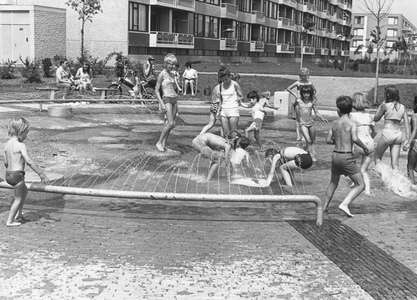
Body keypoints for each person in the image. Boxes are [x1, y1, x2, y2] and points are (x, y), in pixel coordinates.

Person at [324, 96, 369, 218]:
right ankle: (344, 204)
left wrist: (338, 140)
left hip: (335, 155)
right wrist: (364, 147)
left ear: (338, 110)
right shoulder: (352, 123)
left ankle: (324, 207)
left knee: (333, 182)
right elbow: (354, 138)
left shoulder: (334, 123)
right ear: (350, 109)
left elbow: (328, 140)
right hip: (346, 157)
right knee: (361, 184)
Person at [4, 118, 49, 227]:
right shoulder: (21, 145)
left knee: (24, 191)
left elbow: (5, 162)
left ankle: (19, 214)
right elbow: (29, 161)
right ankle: (10, 220)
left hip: (8, 174)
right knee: (18, 198)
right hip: (17, 175)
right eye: (26, 134)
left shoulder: (7, 144)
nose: (26, 136)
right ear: (21, 131)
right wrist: (40, 173)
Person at [373, 85, 410, 169]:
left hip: (387, 133)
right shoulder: (403, 107)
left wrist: (380, 106)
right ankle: (396, 181)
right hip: (398, 134)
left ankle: (385, 177)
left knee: (377, 158)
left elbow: (376, 118)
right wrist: (407, 139)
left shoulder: (385, 106)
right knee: (395, 164)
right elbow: (407, 124)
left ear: (388, 94)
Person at [350, 92, 377, 195]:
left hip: (359, 143)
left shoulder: (352, 115)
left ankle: (355, 181)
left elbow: (350, 132)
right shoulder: (369, 116)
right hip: (370, 143)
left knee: (350, 161)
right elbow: (374, 132)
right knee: (364, 170)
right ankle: (368, 191)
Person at [293, 85, 328, 161]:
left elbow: (316, 112)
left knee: (312, 141)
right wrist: (294, 114)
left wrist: (322, 118)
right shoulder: (299, 100)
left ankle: (305, 149)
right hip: (303, 124)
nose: (306, 95)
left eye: (308, 93)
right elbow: (294, 105)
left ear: (310, 93)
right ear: (302, 93)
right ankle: (311, 156)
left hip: (311, 123)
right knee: (308, 140)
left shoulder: (312, 101)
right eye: (304, 93)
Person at [155, 53, 180, 152]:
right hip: (166, 99)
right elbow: (156, 90)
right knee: (170, 123)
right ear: (166, 63)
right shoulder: (161, 74)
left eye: (174, 64)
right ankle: (159, 142)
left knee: (172, 124)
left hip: (174, 99)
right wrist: (161, 103)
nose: (173, 66)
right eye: (171, 64)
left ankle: (164, 145)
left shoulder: (172, 74)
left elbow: (174, 88)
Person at [211, 66, 244, 138]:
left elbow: (241, 96)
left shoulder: (235, 84)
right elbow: (221, 100)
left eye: (226, 79)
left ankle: (236, 148)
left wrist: (239, 98)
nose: (225, 81)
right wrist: (218, 112)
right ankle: (227, 148)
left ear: (229, 76)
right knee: (225, 134)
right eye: (223, 80)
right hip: (223, 110)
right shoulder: (220, 86)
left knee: (234, 133)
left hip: (233, 110)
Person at [287, 68, 318, 141]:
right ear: (300, 75)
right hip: (299, 101)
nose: (304, 77)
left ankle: (304, 135)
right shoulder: (298, 82)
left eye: (305, 75)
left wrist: (311, 96)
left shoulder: (309, 83)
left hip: (306, 101)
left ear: (307, 75)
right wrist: (295, 95)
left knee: (305, 116)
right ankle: (298, 135)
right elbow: (288, 88)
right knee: (298, 118)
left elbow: (314, 91)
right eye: (302, 75)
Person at [406, 96, 417, 184]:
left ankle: (412, 187)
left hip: (416, 142)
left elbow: (415, 129)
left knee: (410, 166)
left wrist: (408, 142)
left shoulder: (414, 116)